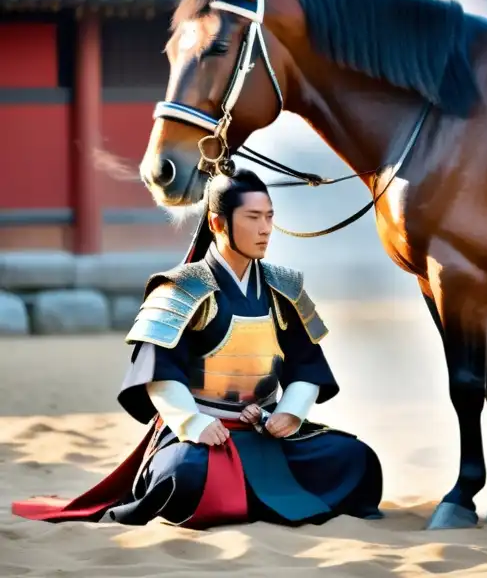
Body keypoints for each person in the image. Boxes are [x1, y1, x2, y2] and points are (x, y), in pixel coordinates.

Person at [12, 170, 383, 528]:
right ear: (218, 223)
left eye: (270, 216)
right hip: (205, 435)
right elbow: (159, 373)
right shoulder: (182, 288)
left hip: (265, 431)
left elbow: (307, 365)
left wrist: (290, 414)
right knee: (183, 473)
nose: (265, 228)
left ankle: (252, 499)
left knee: (356, 459)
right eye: (253, 217)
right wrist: (193, 423)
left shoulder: (282, 286)